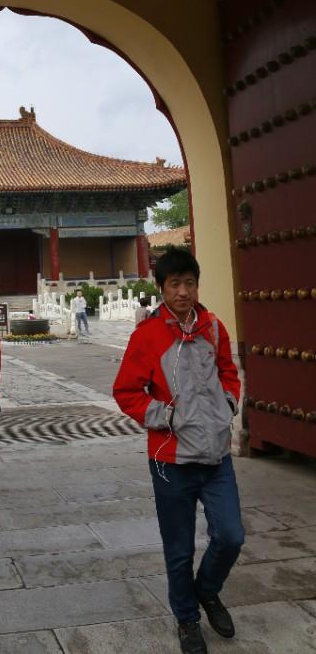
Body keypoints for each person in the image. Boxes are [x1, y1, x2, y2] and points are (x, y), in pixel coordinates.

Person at [113, 247, 243, 654]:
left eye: (190, 283)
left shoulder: (213, 328)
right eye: (175, 284)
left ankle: (207, 590)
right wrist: (163, 415)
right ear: (162, 288)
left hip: (216, 454)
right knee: (179, 548)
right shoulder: (147, 336)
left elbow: (228, 373)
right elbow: (126, 391)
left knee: (231, 535)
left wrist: (227, 405)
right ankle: (187, 620)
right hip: (171, 460)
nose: (183, 291)